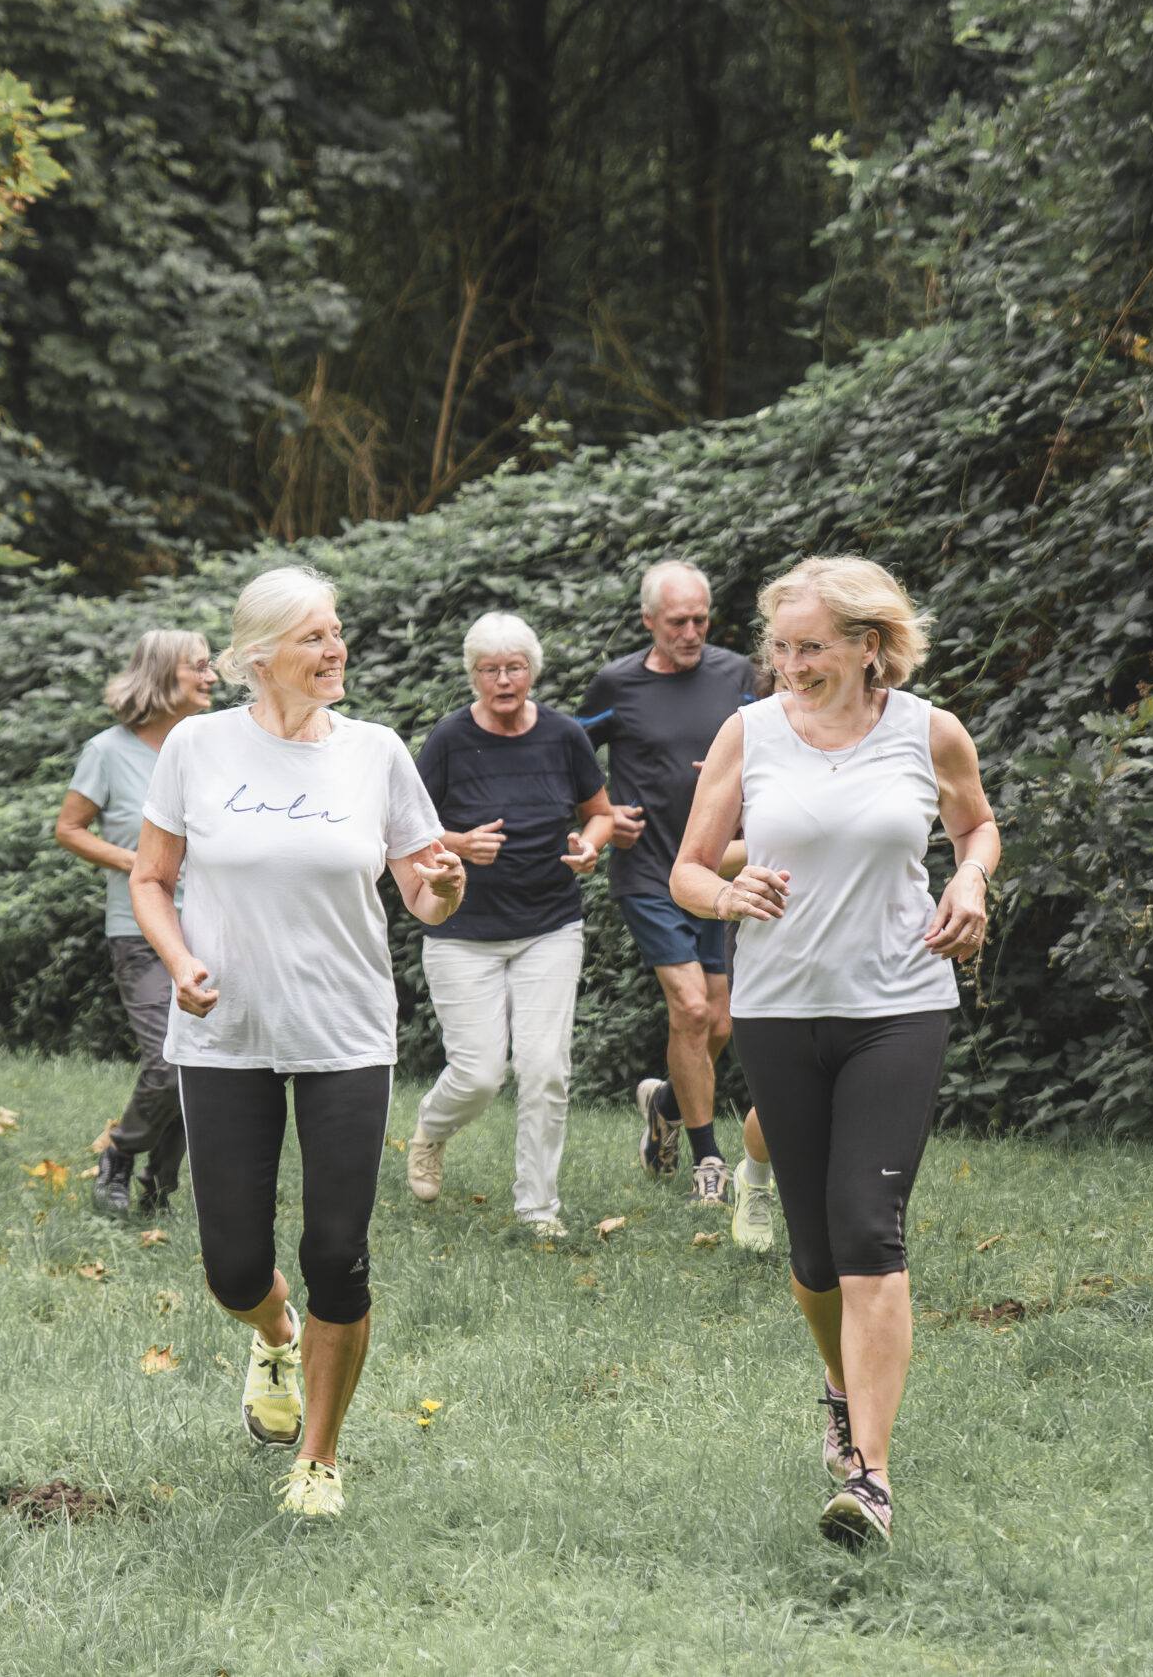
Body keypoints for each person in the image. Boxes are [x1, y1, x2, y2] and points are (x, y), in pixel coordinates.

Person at [671, 555, 998, 1547]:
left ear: (869, 644)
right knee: (813, 1256)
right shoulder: (749, 731)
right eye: (779, 645)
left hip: (897, 1003)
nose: (789, 663)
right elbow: (686, 866)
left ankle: (870, 1476)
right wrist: (724, 894)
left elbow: (976, 826)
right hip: (779, 1006)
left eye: (811, 646)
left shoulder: (927, 729)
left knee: (867, 1229)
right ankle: (837, 1383)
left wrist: (971, 883)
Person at [129, 566, 466, 1520]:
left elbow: (424, 890)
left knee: (337, 1251)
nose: (336, 650)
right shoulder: (196, 745)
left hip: (346, 1030)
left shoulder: (377, 753)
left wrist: (444, 887)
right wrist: (180, 959)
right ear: (262, 655)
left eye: (337, 632)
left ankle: (317, 1455)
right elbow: (153, 878)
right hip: (224, 1028)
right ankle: (272, 1332)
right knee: (233, 1265)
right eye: (315, 637)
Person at [405, 612, 617, 1239]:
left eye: (515, 667)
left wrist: (591, 845)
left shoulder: (562, 735)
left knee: (546, 1067)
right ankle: (431, 1130)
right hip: (461, 930)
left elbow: (598, 813)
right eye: (491, 670)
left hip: (549, 924)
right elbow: (405, 827)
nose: (504, 680)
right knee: (477, 1075)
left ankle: (537, 1209)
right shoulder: (448, 739)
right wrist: (459, 843)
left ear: (532, 671)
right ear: (473, 676)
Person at [578, 560, 771, 1218]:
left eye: (700, 620)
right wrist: (600, 813)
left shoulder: (739, 678)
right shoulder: (618, 683)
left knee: (718, 1020)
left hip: (721, 870)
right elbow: (565, 752)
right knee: (690, 1008)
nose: (691, 632)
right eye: (677, 622)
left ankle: (661, 1105)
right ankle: (707, 1161)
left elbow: (779, 746)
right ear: (649, 622)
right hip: (652, 874)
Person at [55, 630, 215, 1218]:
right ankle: (119, 1155)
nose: (212, 677)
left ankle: (160, 1189)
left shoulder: (209, 746)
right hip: (140, 931)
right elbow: (69, 829)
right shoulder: (107, 751)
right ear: (160, 676)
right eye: (198, 667)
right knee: (169, 1062)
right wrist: (137, 864)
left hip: (210, 926)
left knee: (199, 1064)